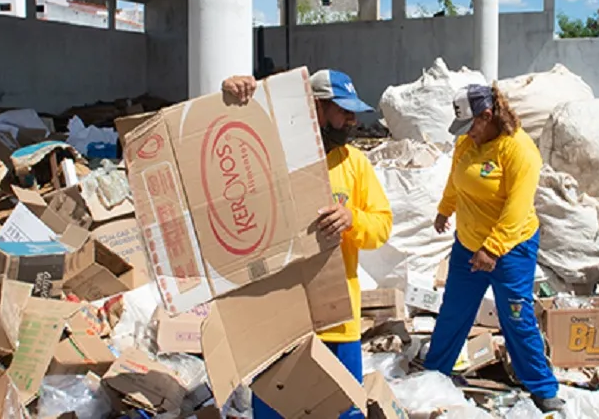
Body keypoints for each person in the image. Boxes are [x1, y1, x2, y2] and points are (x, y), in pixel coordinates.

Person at [222, 70, 393, 419]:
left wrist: (352, 220)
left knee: (343, 411)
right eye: (343, 110)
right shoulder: (272, 156)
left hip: (337, 317)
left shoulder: (354, 164)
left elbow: (382, 226)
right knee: (275, 410)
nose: (352, 120)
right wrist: (231, 100)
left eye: (353, 111)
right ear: (315, 107)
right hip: (281, 320)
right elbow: (223, 154)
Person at [425, 83, 564, 413]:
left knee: (516, 317)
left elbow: (517, 208)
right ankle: (435, 373)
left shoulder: (519, 151)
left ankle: (542, 388)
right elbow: (456, 179)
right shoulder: (466, 143)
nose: (467, 134)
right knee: (454, 311)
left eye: (472, 125)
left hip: (511, 249)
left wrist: (493, 249)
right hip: (468, 245)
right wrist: (445, 208)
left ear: (487, 115)